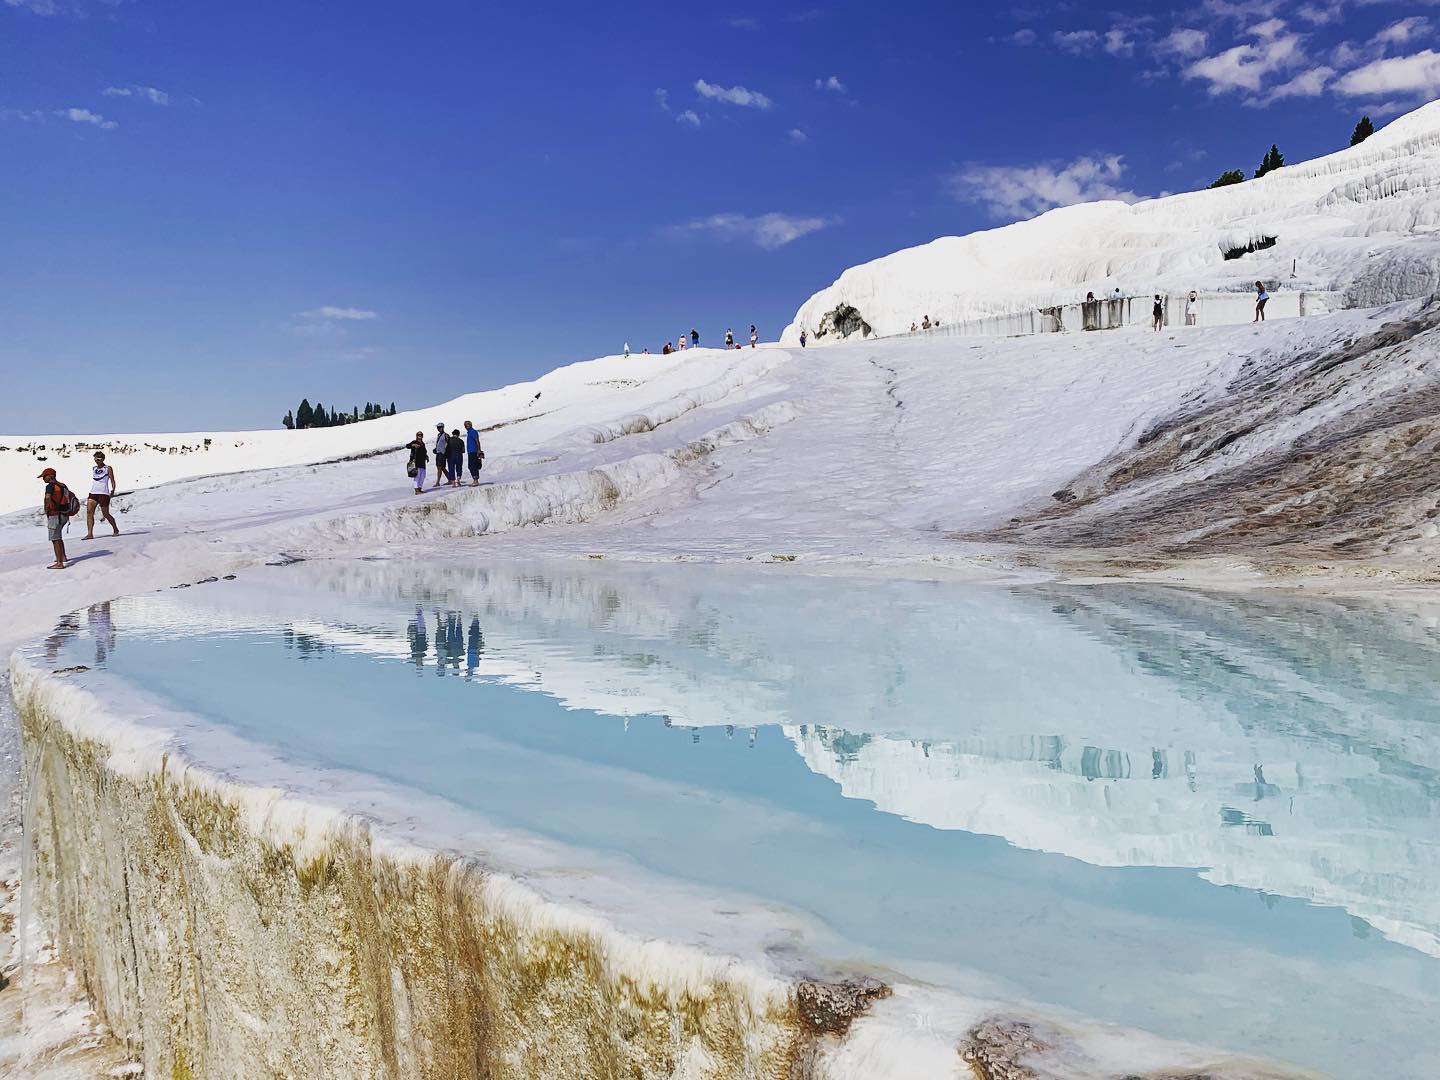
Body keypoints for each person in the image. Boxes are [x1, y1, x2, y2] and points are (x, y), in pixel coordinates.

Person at [38, 467, 73, 569]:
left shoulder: (50, 486)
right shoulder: (63, 485)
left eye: (44, 476)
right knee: (59, 537)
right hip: (64, 514)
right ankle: (63, 557)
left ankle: (59, 563)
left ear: (50, 476)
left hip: (55, 515)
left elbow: (48, 498)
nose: (43, 478)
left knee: (55, 539)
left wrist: (46, 509)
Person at [83, 450, 119, 540]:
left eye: (98, 459)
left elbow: (112, 479)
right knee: (89, 512)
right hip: (93, 492)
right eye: (95, 459)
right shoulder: (94, 468)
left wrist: (113, 489)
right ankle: (90, 533)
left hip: (103, 493)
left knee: (106, 514)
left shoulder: (108, 468)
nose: (96, 461)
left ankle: (115, 529)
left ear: (103, 459)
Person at [463, 419, 484, 486]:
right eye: (465, 425)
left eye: (467, 425)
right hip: (470, 451)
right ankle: (475, 479)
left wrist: (479, 450)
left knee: (472, 466)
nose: (465, 426)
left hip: (474, 451)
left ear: (470, 425)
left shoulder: (473, 432)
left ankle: (475, 480)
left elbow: (477, 441)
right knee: (472, 466)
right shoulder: (469, 432)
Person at [432, 423, 449, 488]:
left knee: (440, 467)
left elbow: (448, 444)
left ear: (442, 427)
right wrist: (436, 449)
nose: (438, 429)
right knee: (442, 467)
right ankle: (449, 479)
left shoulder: (446, 435)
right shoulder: (439, 435)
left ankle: (437, 482)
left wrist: (445, 452)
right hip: (438, 453)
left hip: (442, 454)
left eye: (439, 427)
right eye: (438, 427)